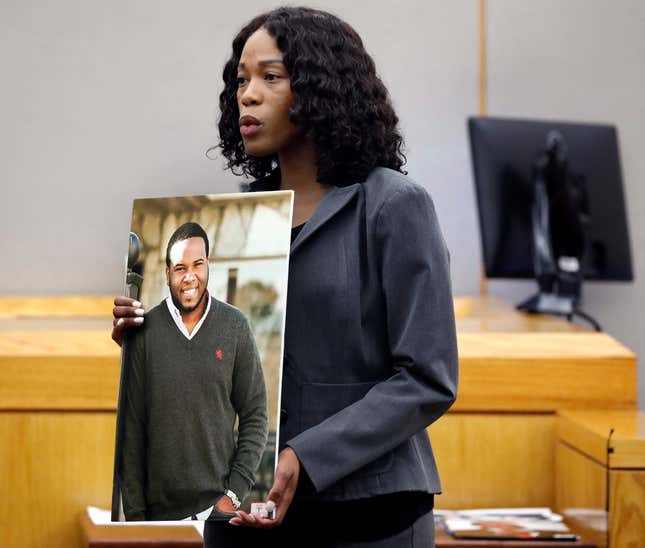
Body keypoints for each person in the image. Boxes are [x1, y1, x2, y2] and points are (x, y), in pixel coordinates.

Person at [113, 6, 458, 546]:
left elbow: (427, 379)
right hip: (243, 518)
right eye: (241, 80)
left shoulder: (395, 206)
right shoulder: (233, 223)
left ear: (322, 90)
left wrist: (305, 455)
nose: (247, 95)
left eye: (270, 78)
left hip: (367, 516)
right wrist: (149, 338)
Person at [118, 221, 268, 521]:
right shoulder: (143, 332)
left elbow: (255, 415)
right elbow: (131, 432)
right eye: (180, 267)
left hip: (217, 515)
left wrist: (231, 498)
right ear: (168, 273)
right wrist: (135, 520)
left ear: (208, 266)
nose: (189, 277)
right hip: (158, 520)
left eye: (197, 265)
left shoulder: (235, 326)